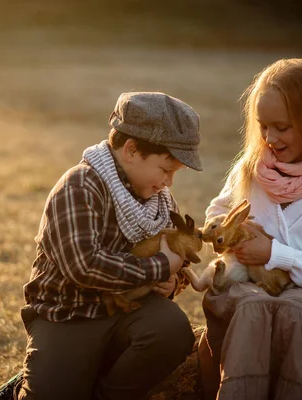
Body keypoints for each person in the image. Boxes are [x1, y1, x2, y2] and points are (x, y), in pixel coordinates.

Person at [16, 92, 202, 400]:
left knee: (171, 329)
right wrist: (159, 266)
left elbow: (177, 263)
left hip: (129, 312)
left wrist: (169, 281)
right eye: (165, 169)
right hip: (68, 314)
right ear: (131, 150)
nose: (168, 182)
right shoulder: (81, 185)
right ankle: (53, 375)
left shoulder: (158, 199)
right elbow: (85, 266)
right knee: (50, 392)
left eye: (174, 175)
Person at [198, 58, 302, 400]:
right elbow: (218, 212)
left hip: (301, 292)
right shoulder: (250, 170)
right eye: (263, 127)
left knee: (293, 311)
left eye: (282, 127)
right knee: (252, 308)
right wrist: (235, 234)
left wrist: (275, 254)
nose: (270, 138)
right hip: (246, 284)